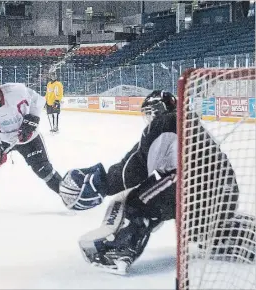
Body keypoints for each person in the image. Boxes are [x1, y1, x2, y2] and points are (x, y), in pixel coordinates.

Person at [58, 90, 252, 274]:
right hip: (223, 193)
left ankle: (117, 253)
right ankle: (244, 234)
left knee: (138, 201)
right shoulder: (183, 121)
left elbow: (135, 167)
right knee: (197, 227)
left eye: (150, 112)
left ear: (160, 109)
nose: (149, 118)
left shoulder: (165, 122)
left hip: (197, 186)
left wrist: (101, 183)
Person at [0, 70, 62, 208]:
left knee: (43, 169)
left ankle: (68, 195)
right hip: (4, 138)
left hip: (28, 137)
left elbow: (37, 99)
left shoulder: (17, 90)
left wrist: (33, 119)